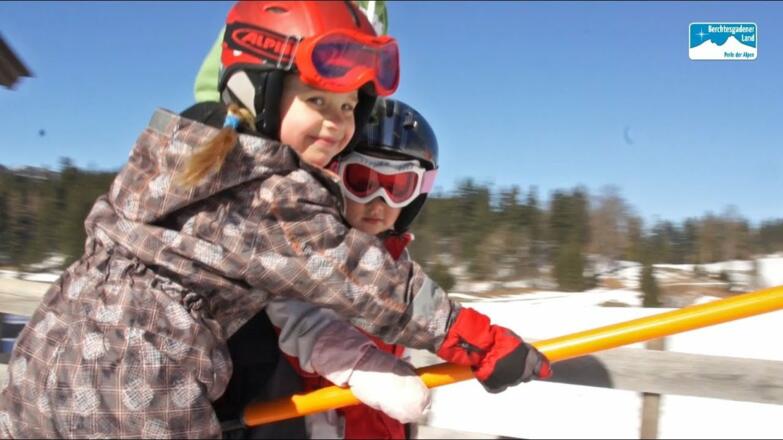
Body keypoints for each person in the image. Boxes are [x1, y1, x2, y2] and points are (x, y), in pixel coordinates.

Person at [0, 2, 550, 439]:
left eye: (347, 107)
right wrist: (472, 338)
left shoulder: (177, 152)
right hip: (140, 383)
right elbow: (362, 281)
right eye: (317, 100)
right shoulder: (271, 189)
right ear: (258, 91)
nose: (338, 124)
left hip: (42, 360)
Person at [262, 98, 442, 439]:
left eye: (397, 187)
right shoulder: (301, 251)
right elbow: (301, 323)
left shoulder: (399, 266)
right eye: (362, 180)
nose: (379, 201)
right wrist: (364, 369)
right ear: (333, 178)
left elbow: (434, 321)